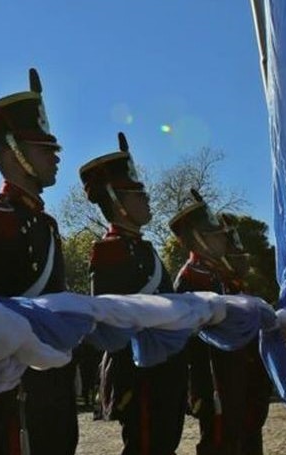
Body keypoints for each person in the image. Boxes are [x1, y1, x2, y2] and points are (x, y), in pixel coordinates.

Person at [0, 68, 77, 455]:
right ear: (12, 151)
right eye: (44, 148)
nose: (54, 157)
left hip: (52, 387)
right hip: (15, 397)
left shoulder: (46, 223)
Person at [82, 133, 187, 455]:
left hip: (165, 369)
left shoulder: (144, 249)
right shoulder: (109, 251)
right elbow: (112, 319)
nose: (147, 200)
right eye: (138, 194)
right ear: (117, 201)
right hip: (139, 375)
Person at [173, 189, 270, 455]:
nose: (222, 239)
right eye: (214, 234)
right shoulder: (190, 277)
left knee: (246, 439)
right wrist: (204, 390)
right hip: (215, 381)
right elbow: (193, 341)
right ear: (198, 239)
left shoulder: (220, 274)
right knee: (219, 444)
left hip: (240, 374)